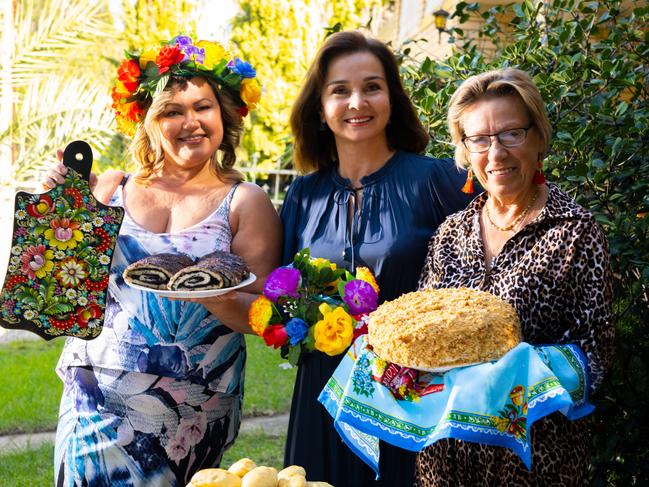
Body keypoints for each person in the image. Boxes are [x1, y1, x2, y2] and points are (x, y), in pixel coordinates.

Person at [43, 35, 282, 486]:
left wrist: (211, 293)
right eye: (173, 110)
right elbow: (64, 289)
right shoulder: (111, 187)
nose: (190, 122)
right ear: (148, 122)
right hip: (94, 397)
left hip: (193, 409)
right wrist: (63, 206)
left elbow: (263, 314)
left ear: (224, 115)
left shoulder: (245, 202)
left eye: (202, 107)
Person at [280, 30, 473, 487]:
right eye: (339, 90)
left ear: (391, 98)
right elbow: (277, 289)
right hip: (321, 395)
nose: (356, 102)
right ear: (320, 108)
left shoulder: (438, 180)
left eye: (372, 86)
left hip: (411, 399)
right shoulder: (303, 195)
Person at [415, 68, 614, 486]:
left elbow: (595, 353)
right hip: (448, 454)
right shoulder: (450, 233)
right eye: (480, 140)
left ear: (538, 139)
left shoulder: (574, 231)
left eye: (511, 134)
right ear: (465, 151)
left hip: (534, 456)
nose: (496, 154)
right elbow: (423, 331)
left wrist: (520, 374)